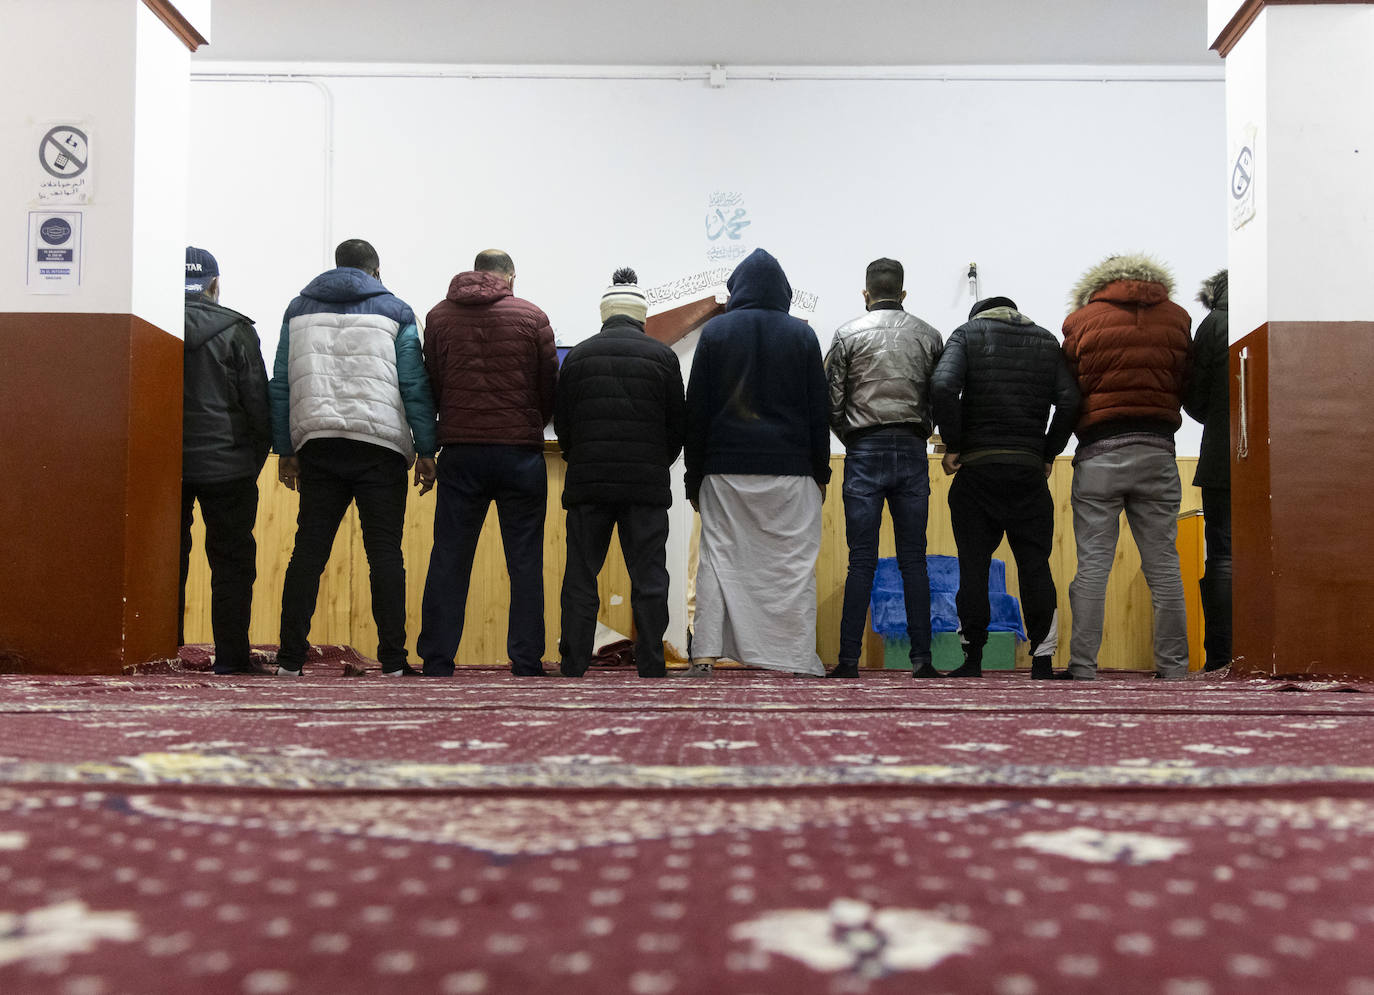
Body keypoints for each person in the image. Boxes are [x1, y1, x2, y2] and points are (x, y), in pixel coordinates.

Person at [268, 239, 437, 677]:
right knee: (385, 555)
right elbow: (414, 383)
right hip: (379, 446)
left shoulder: (297, 309)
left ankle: (289, 661)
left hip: (319, 443)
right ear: (375, 273)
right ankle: (394, 662)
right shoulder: (397, 311)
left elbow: (281, 380)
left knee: (309, 550)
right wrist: (426, 448)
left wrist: (285, 449)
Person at [683, 248, 831, 678]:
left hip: (724, 468)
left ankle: (706, 653)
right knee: (792, 566)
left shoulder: (716, 333)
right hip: (792, 470)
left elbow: (698, 412)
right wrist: (820, 474)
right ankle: (796, 656)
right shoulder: (802, 336)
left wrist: (694, 479)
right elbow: (817, 412)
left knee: (717, 558)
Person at [416, 249, 557, 677]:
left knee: (449, 558)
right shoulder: (532, 316)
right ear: (510, 277)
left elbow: (433, 381)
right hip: (519, 453)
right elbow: (549, 383)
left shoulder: (439, 316)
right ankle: (527, 660)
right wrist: (531, 419)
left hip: (461, 452)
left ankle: (438, 660)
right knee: (525, 560)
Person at [931, 296, 1081, 679]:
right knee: (1035, 565)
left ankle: (973, 659)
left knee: (974, 566)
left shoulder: (966, 335)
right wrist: (1048, 453)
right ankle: (1043, 662)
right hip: (1028, 473)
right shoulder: (1047, 342)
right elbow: (1069, 401)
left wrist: (955, 445)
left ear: (977, 316)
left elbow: (945, 386)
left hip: (977, 471)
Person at [1061, 254, 1192, 680]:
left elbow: (1070, 386)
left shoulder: (1081, 320)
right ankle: (1173, 668)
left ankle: (1083, 666)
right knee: (1164, 566)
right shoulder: (1177, 318)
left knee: (1093, 566)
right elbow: (1183, 380)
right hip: (1158, 449)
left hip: (1100, 451)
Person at [554, 268, 686, 679]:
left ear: (604, 314)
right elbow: (676, 429)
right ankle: (650, 663)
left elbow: (564, 426)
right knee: (649, 576)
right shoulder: (663, 357)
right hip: (645, 487)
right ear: (641, 316)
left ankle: (574, 664)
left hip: (588, 485)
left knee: (581, 573)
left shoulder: (578, 356)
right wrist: (651, 464)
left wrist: (583, 459)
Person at [823, 258, 944, 679]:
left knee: (861, 561)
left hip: (863, 450)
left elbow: (831, 403)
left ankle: (848, 661)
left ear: (866, 294)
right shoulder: (929, 335)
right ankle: (922, 660)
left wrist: (853, 438)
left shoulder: (846, 335)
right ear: (904, 294)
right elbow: (940, 395)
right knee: (914, 559)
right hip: (912, 450)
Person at [180, 246, 271, 675]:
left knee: (166, 565)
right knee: (232, 565)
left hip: (164, 471)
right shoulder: (237, 329)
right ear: (214, 285)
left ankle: (164, 654)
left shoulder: (149, 325)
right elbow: (257, 406)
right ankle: (232, 658)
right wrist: (249, 463)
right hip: (229, 468)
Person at [1183, 269, 1231, 672]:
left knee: (1224, 556)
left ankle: (1221, 658)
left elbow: (1194, 398)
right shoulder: (1276, 312)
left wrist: (1217, 418)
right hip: (1291, 465)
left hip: (1222, 457)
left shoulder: (1213, 323)